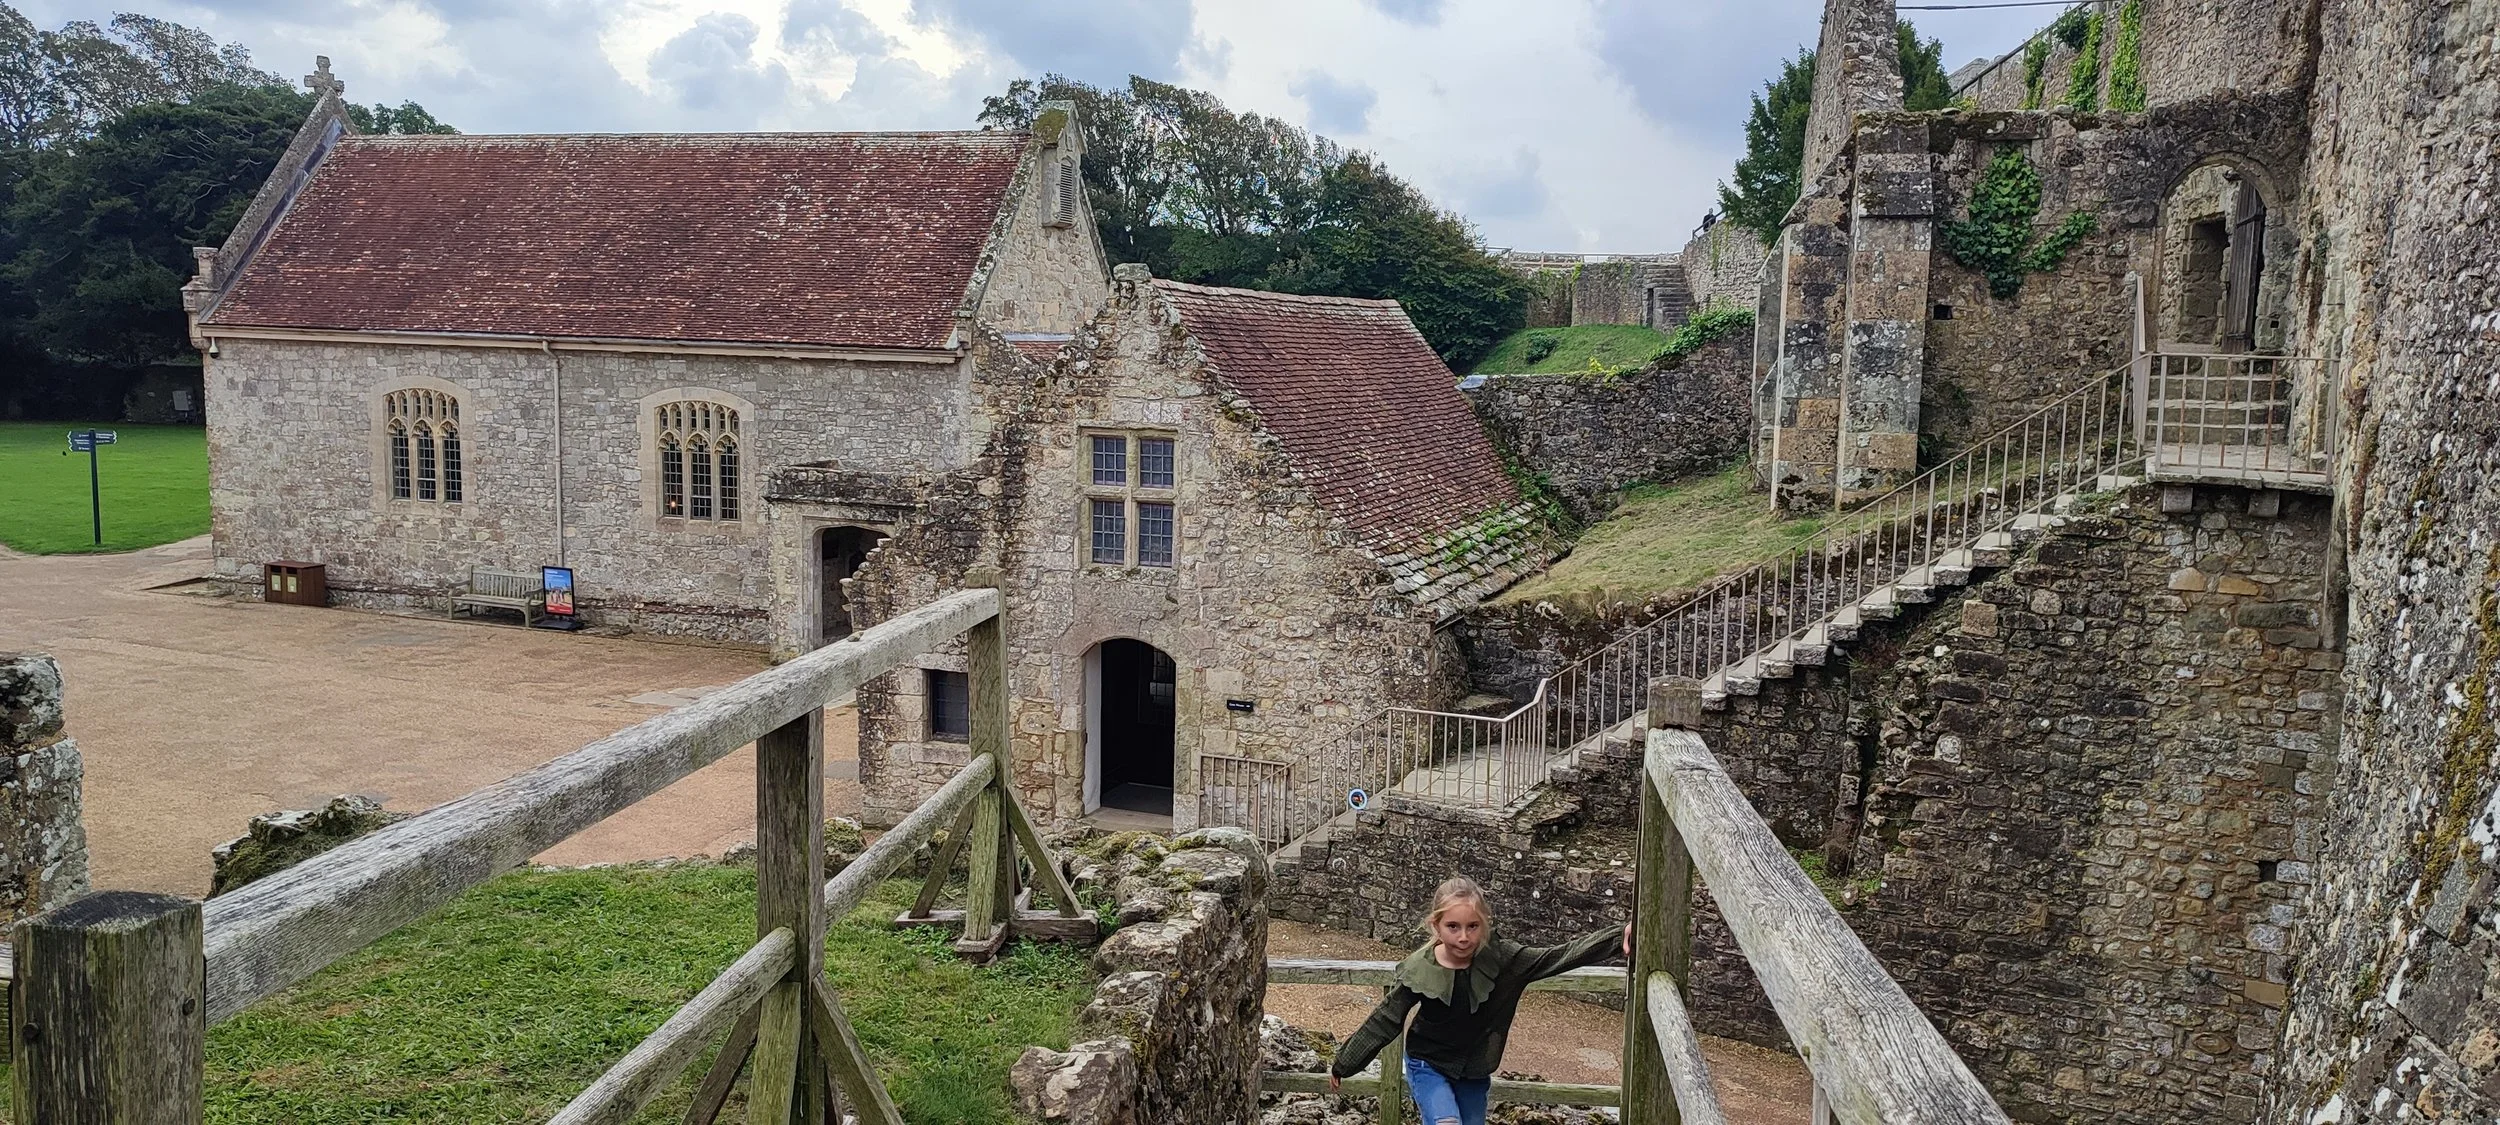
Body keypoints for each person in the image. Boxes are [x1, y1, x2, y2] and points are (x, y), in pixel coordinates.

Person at [1326, 877, 1632, 1125]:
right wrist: (1345, 1063)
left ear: (1484, 924)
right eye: (1453, 927)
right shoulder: (1420, 969)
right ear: (1436, 925)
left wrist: (1618, 937)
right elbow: (1385, 1019)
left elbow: (1557, 956)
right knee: (1446, 1122)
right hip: (1427, 1063)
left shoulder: (1502, 958)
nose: (1463, 937)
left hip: (1473, 1068)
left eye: (1472, 926)